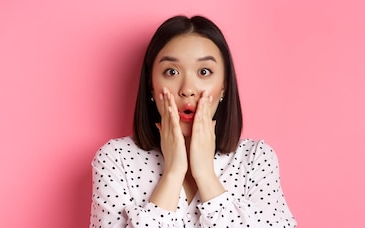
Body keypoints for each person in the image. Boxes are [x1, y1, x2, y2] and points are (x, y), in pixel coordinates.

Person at [89, 15, 297, 227]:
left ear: (224, 85)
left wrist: (205, 174)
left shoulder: (255, 158)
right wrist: (173, 172)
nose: (187, 90)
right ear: (151, 84)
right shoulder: (116, 159)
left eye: (204, 72)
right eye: (171, 72)